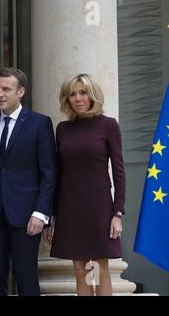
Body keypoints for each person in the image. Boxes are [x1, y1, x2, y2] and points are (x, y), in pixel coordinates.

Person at [0, 67, 56, 296]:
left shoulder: (39, 123)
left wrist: (41, 213)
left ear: (21, 92)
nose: (0, 94)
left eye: (6, 89)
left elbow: (49, 173)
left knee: (26, 275)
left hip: (27, 214)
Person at [43, 74, 125, 296]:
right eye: (72, 94)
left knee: (98, 266)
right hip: (70, 206)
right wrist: (53, 215)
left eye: (83, 92)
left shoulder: (108, 125)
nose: (78, 98)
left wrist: (117, 213)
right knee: (80, 268)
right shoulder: (63, 129)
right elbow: (58, 173)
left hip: (98, 206)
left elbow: (119, 172)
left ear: (92, 95)